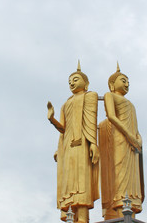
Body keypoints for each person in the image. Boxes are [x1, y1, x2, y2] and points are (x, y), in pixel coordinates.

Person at [47, 62, 99, 223]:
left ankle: (83, 218)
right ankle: (72, 216)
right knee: (69, 183)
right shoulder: (65, 104)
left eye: (75, 79)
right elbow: (63, 128)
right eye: (70, 81)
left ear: (86, 82)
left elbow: (91, 120)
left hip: (82, 142)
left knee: (81, 180)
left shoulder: (90, 96)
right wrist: (52, 119)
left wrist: (93, 143)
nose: (72, 83)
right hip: (67, 146)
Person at [98, 63, 144, 220]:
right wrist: (129, 136)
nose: (126, 83)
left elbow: (135, 126)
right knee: (120, 173)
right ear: (112, 84)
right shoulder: (109, 95)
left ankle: (131, 212)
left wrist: (138, 138)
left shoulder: (131, 104)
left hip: (133, 144)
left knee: (133, 178)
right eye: (123, 80)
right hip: (120, 138)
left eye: (128, 81)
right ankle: (119, 212)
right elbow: (111, 116)